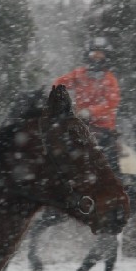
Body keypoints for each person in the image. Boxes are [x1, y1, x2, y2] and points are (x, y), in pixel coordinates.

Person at [53, 36, 121, 174]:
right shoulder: (79, 74)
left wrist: (90, 112)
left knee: (108, 158)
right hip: (79, 124)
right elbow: (59, 84)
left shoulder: (110, 80)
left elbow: (110, 103)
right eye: (94, 52)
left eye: (100, 53)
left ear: (106, 56)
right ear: (87, 54)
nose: (96, 56)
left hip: (102, 129)